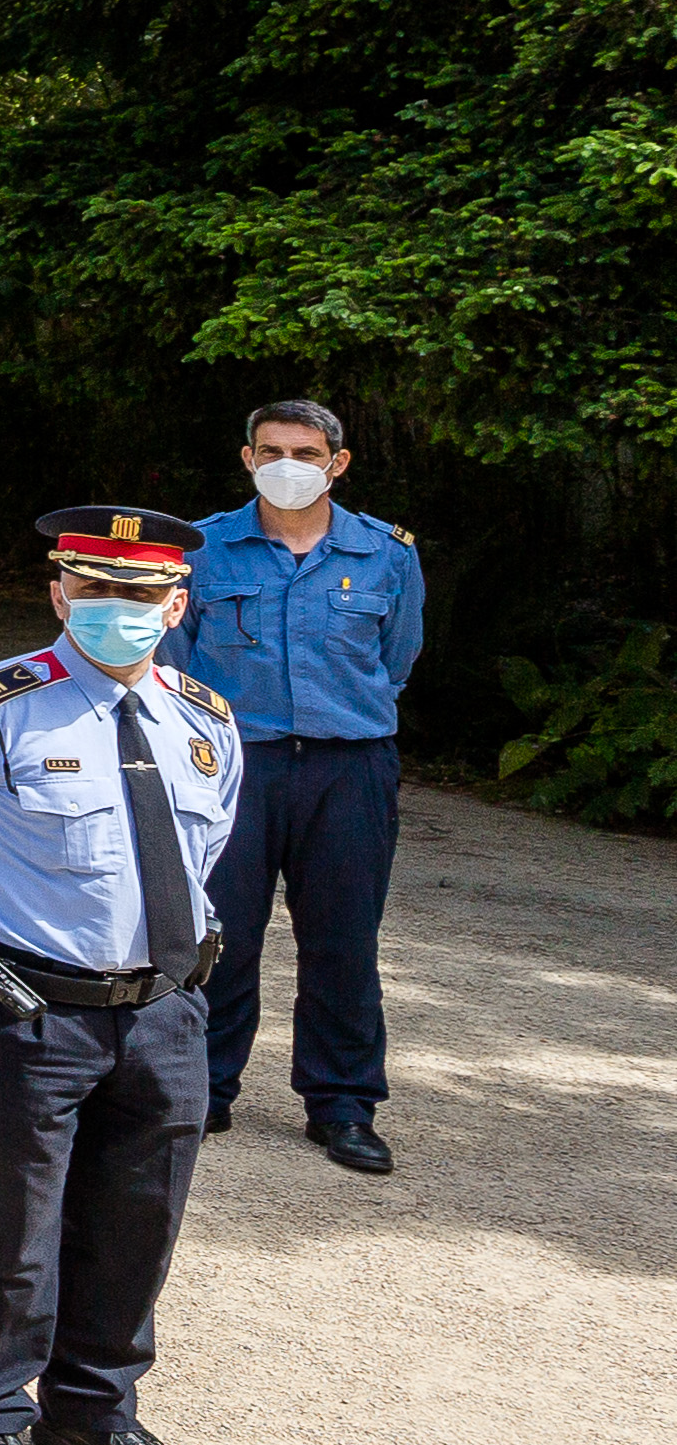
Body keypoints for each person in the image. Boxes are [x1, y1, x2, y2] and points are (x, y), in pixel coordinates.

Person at [0, 508, 242, 1445]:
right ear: (57, 594)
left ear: (176, 604)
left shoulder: (206, 718)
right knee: (14, 1216)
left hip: (166, 1006)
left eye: (137, 595)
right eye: (93, 590)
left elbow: (202, 859)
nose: (115, 611)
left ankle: (91, 1405)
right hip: (30, 1008)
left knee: (140, 1213)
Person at [169, 399, 424, 1172]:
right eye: (272, 448)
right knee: (221, 931)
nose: (288, 463)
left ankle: (343, 1104)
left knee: (345, 937)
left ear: (336, 463)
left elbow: (398, 655)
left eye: (306, 451)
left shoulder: (386, 553)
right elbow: (173, 660)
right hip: (232, 763)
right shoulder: (204, 548)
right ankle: (201, 1091)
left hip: (350, 767)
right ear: (247, 457)